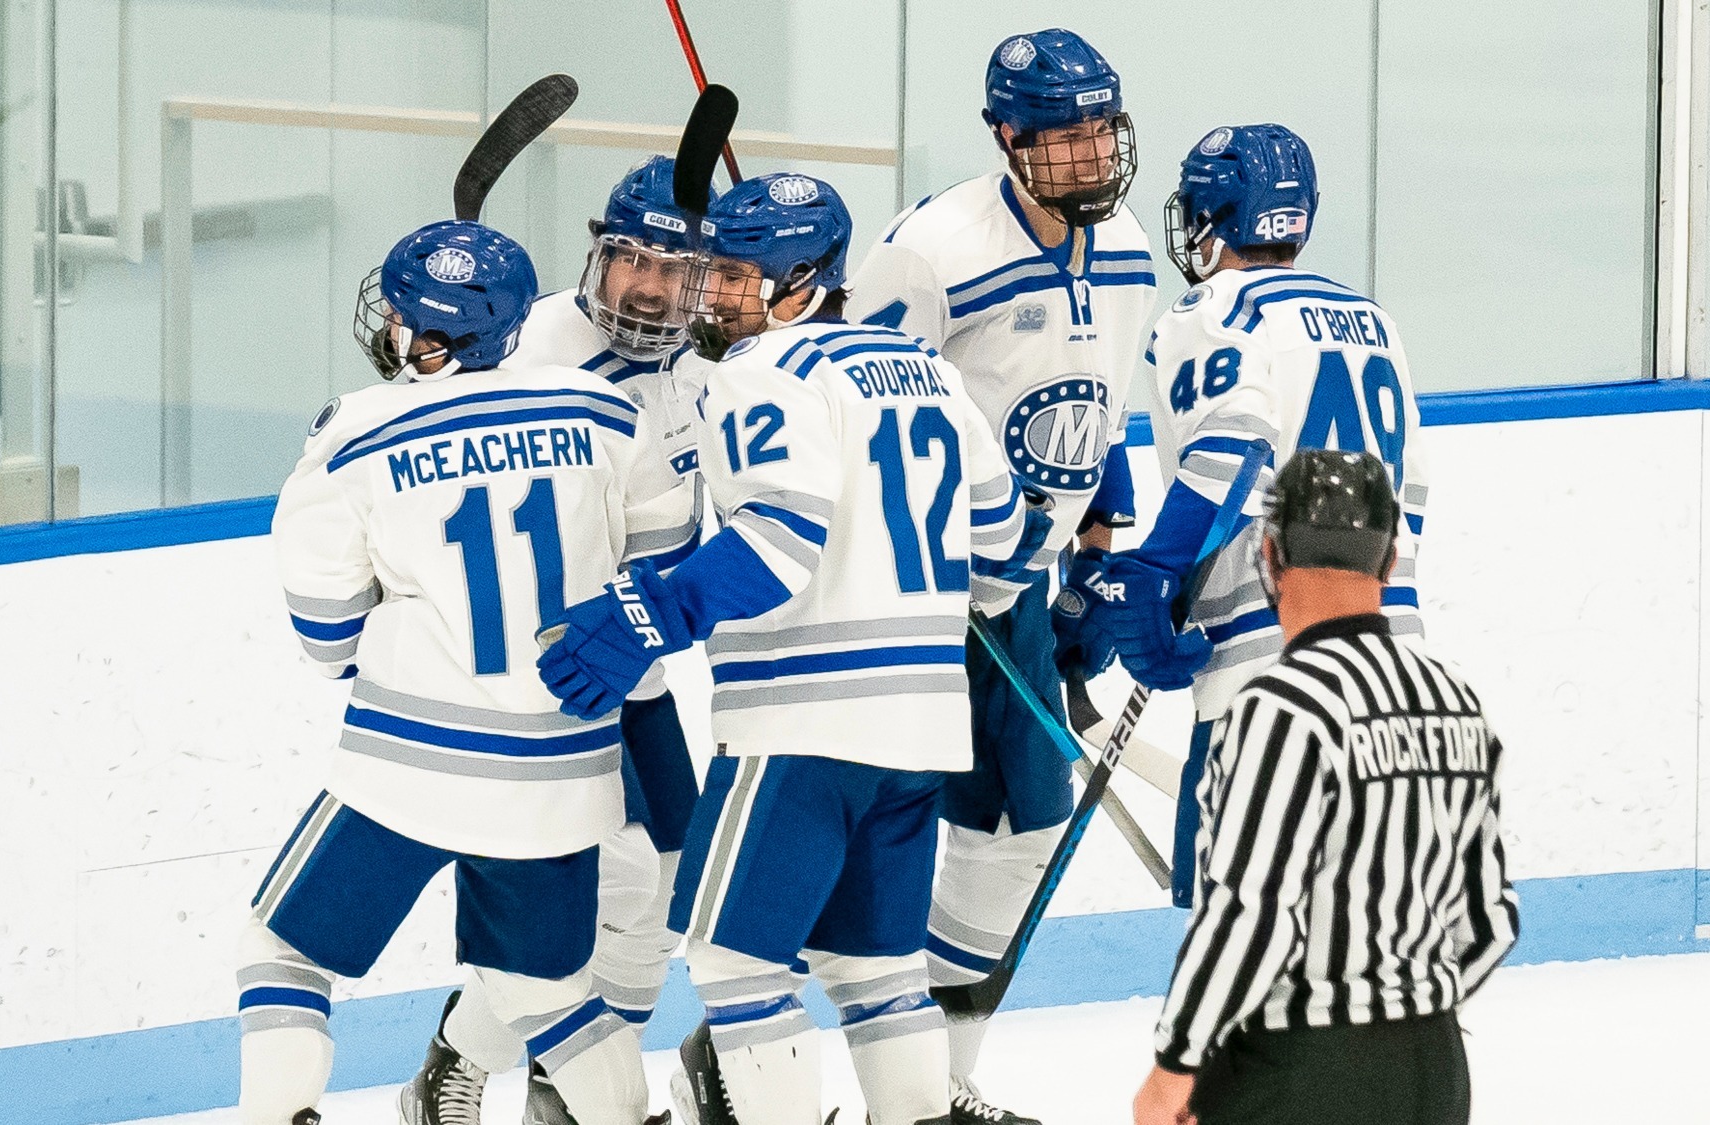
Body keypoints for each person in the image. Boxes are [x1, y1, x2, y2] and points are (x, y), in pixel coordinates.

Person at [537, 171, 1055, 1125]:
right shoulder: (927, 370)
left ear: (804, 282)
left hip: (801, 726)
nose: (712, 298)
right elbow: (1009, 540)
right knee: (878, 971)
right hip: (921, 730)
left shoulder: (757, 373)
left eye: (738, 279)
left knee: (734, 965)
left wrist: (652, 613)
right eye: (714, 274)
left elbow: (777, 544)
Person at [242, 219, 658, 1125]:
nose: (390, 324)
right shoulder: (606, 412)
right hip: (563, 765)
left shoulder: (354, 432)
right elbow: (664, 558)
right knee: (549, 994)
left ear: (424, 336)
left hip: (409, 763)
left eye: (401, 314)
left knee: (281, 955)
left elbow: (326, 634)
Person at [843, 29, 1157, 1123]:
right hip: (909, 595)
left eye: (1101, 130)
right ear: (1005, 138)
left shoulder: (1127, 248)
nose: (1091, 154)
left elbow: (1099, 401)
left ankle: (936, 1085)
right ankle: (740, 1059)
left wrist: (1097, 552)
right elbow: (854, 406)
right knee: (854, 836)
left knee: (1020, 831)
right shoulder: (930, 252)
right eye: (1065, 136)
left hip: (1017, 588)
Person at [404, 155, 711, 1125]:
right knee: (602, 885)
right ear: (597, 254)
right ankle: (461, 1066)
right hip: (541, 675)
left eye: (673, 269)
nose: (647, 286)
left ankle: (560, 1092)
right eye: (630, 259)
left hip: (637, 675)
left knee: (666, 890)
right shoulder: (531, 342)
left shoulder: (708, 368)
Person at [1086, 123, 1433, 906]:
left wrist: (1156, 572)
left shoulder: (1216, 311)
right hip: (1393, 671)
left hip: (1267, 676)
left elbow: (1230, 449)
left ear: (1218, 216)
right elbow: (1411, 495)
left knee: (1242, 938)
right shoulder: (1373, 322)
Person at [1132, 448, 1519, 1125]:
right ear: (1389, 562)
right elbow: (1490, 921)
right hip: (1436, 1070)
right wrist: (1412, 1007)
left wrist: (1176, 1062)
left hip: (1298, 1070)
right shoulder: (1456, 701)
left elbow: (1251, 912)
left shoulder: (1281, 708)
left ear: (1270, 556)